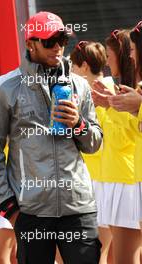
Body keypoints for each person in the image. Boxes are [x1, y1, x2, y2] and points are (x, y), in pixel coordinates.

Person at [0, 11, 103, 264]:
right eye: (49, 41)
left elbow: (95, 144)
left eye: (62, 40)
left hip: (78, 207)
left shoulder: (79, 85)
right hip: (31, 212)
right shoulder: (4, 88)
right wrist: (11, 210)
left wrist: (78, 124)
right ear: (30, 44)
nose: (58, 47)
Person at [91, 29, 141, 264]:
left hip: (125, 179)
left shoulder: (130, 89)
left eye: (111, 56)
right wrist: (108, 105)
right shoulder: (129, 89)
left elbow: (124, 138)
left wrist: (110, 105)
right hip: (118, 177)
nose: (108, 63)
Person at [70, 40, 113, 264]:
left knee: (98, 252)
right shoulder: (94, 92)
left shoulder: (100, 93)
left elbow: (100, 141)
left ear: (84, 66)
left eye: (74, 67)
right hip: (100, 180)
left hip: (101, 181)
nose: (71, 72)